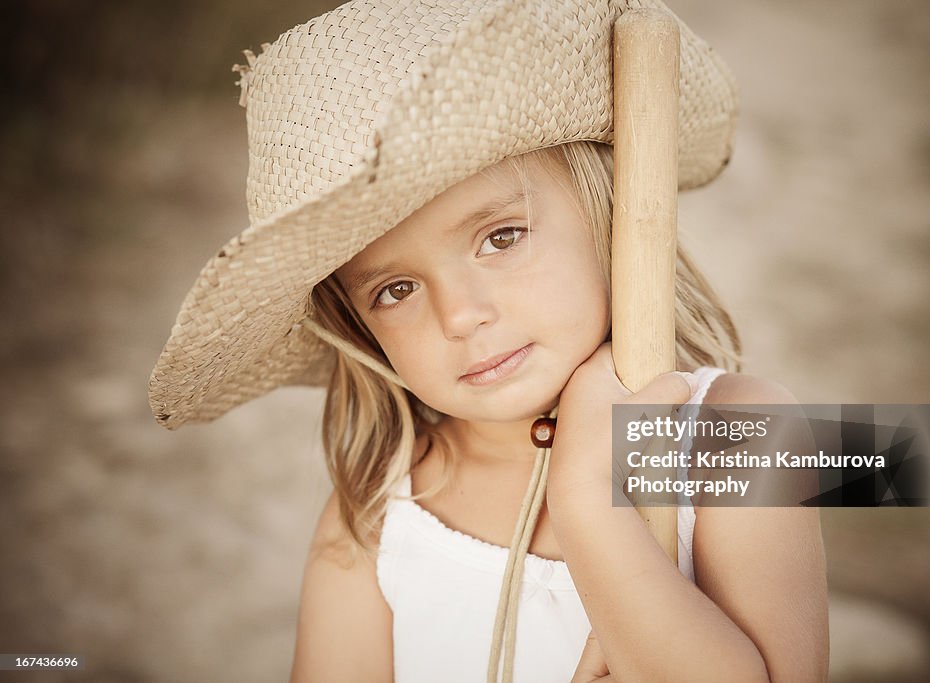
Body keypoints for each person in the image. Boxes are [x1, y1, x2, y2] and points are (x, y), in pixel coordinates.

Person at [148, 1, 829, 681]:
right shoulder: (378, 515)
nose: (460, 315)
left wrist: (590, 505)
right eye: (396, 290)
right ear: (359, 325)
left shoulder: (742, 434)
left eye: (500, 237)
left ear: (607, 214)